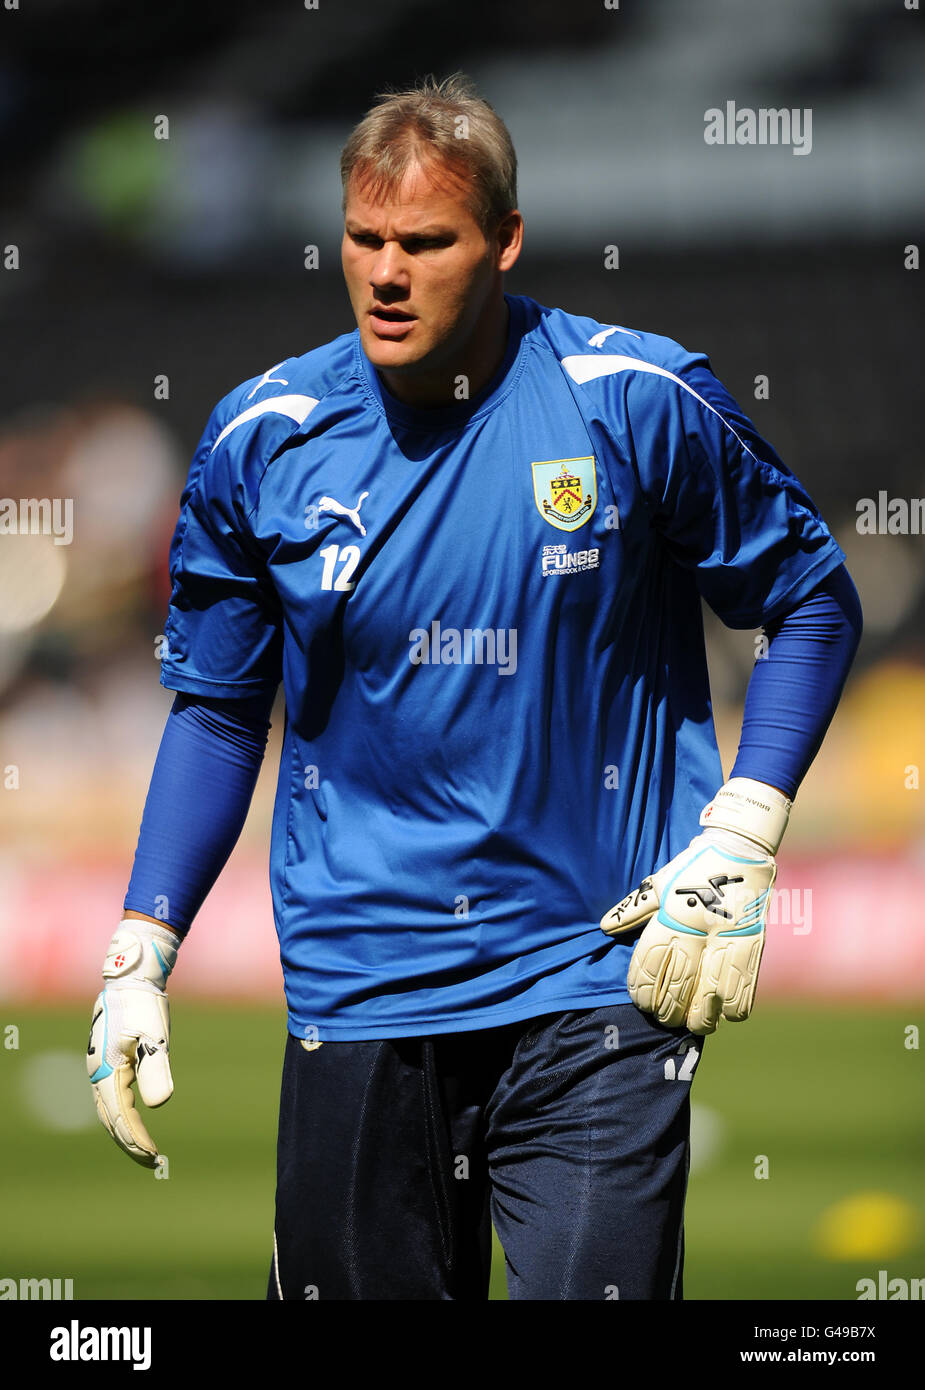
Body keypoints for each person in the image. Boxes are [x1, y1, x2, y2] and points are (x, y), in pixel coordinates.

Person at [87, 73, 862, 1301]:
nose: (386, 272)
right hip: (359, 983)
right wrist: (142, 944)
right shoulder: (262, 439)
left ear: (502, 243)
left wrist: (744, 831)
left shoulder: (634, 404)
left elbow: (812, 602)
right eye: (363, 238)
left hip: (594, 975)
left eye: (426, 242)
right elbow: (223, 707)